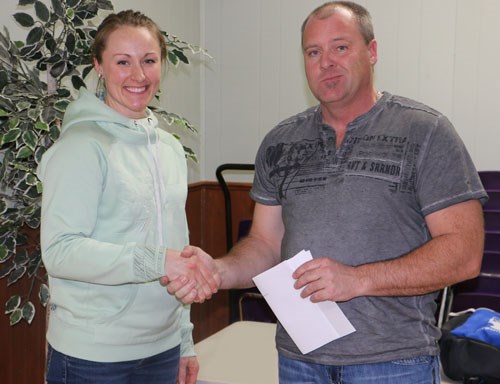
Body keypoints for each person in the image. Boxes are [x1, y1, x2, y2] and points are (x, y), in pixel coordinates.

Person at [166, 1, 488, 383]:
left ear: (372, 52)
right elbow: (266, 246)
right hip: (299, 362)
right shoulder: (280, 142)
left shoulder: (426, 131)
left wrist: (358, 279)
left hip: (394, 363)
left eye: (340, 47)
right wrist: (218, 271)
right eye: (313, 52)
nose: (326, 62)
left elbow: (464, 253)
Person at [37, 10, 218, 384]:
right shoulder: (81, 147)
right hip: (92, 356)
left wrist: (184, 340)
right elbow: (60, 251)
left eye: (149, 61)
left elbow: (176, 249)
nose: (138, 76)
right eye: (123, 62)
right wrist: (154, 261)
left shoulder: (168, 148)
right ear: (98, 66)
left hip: (162, 349)